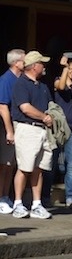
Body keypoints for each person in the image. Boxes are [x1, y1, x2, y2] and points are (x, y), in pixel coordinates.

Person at [11, 51, 53, 219]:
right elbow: (25, 108)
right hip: (27, 128)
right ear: (34, 66)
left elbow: (50, 106)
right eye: (42, 63)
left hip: (43, 130)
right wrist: (44, 117)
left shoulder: (42, 86)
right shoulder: (21, 84)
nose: (44, 66)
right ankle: (18, 203)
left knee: (39, 168)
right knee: (24, 167)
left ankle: (36, 204)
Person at [45, 54, 72, 208]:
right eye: (71, 69)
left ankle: (70, 198)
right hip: (58, 128)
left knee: (71, 165)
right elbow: (61, 87)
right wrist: (64, 68)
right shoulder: (59, 80)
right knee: (53, 162)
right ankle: (46, 196)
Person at [0, 49, 25, 214]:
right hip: (7, 126)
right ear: (16, 62)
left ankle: (6, 196)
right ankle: (1, 198)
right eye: (24, 60)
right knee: (5, 164)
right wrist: (9, 131)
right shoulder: (6, 79)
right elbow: (2, 106)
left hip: (18, 125)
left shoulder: (20, 79)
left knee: (12, 165)